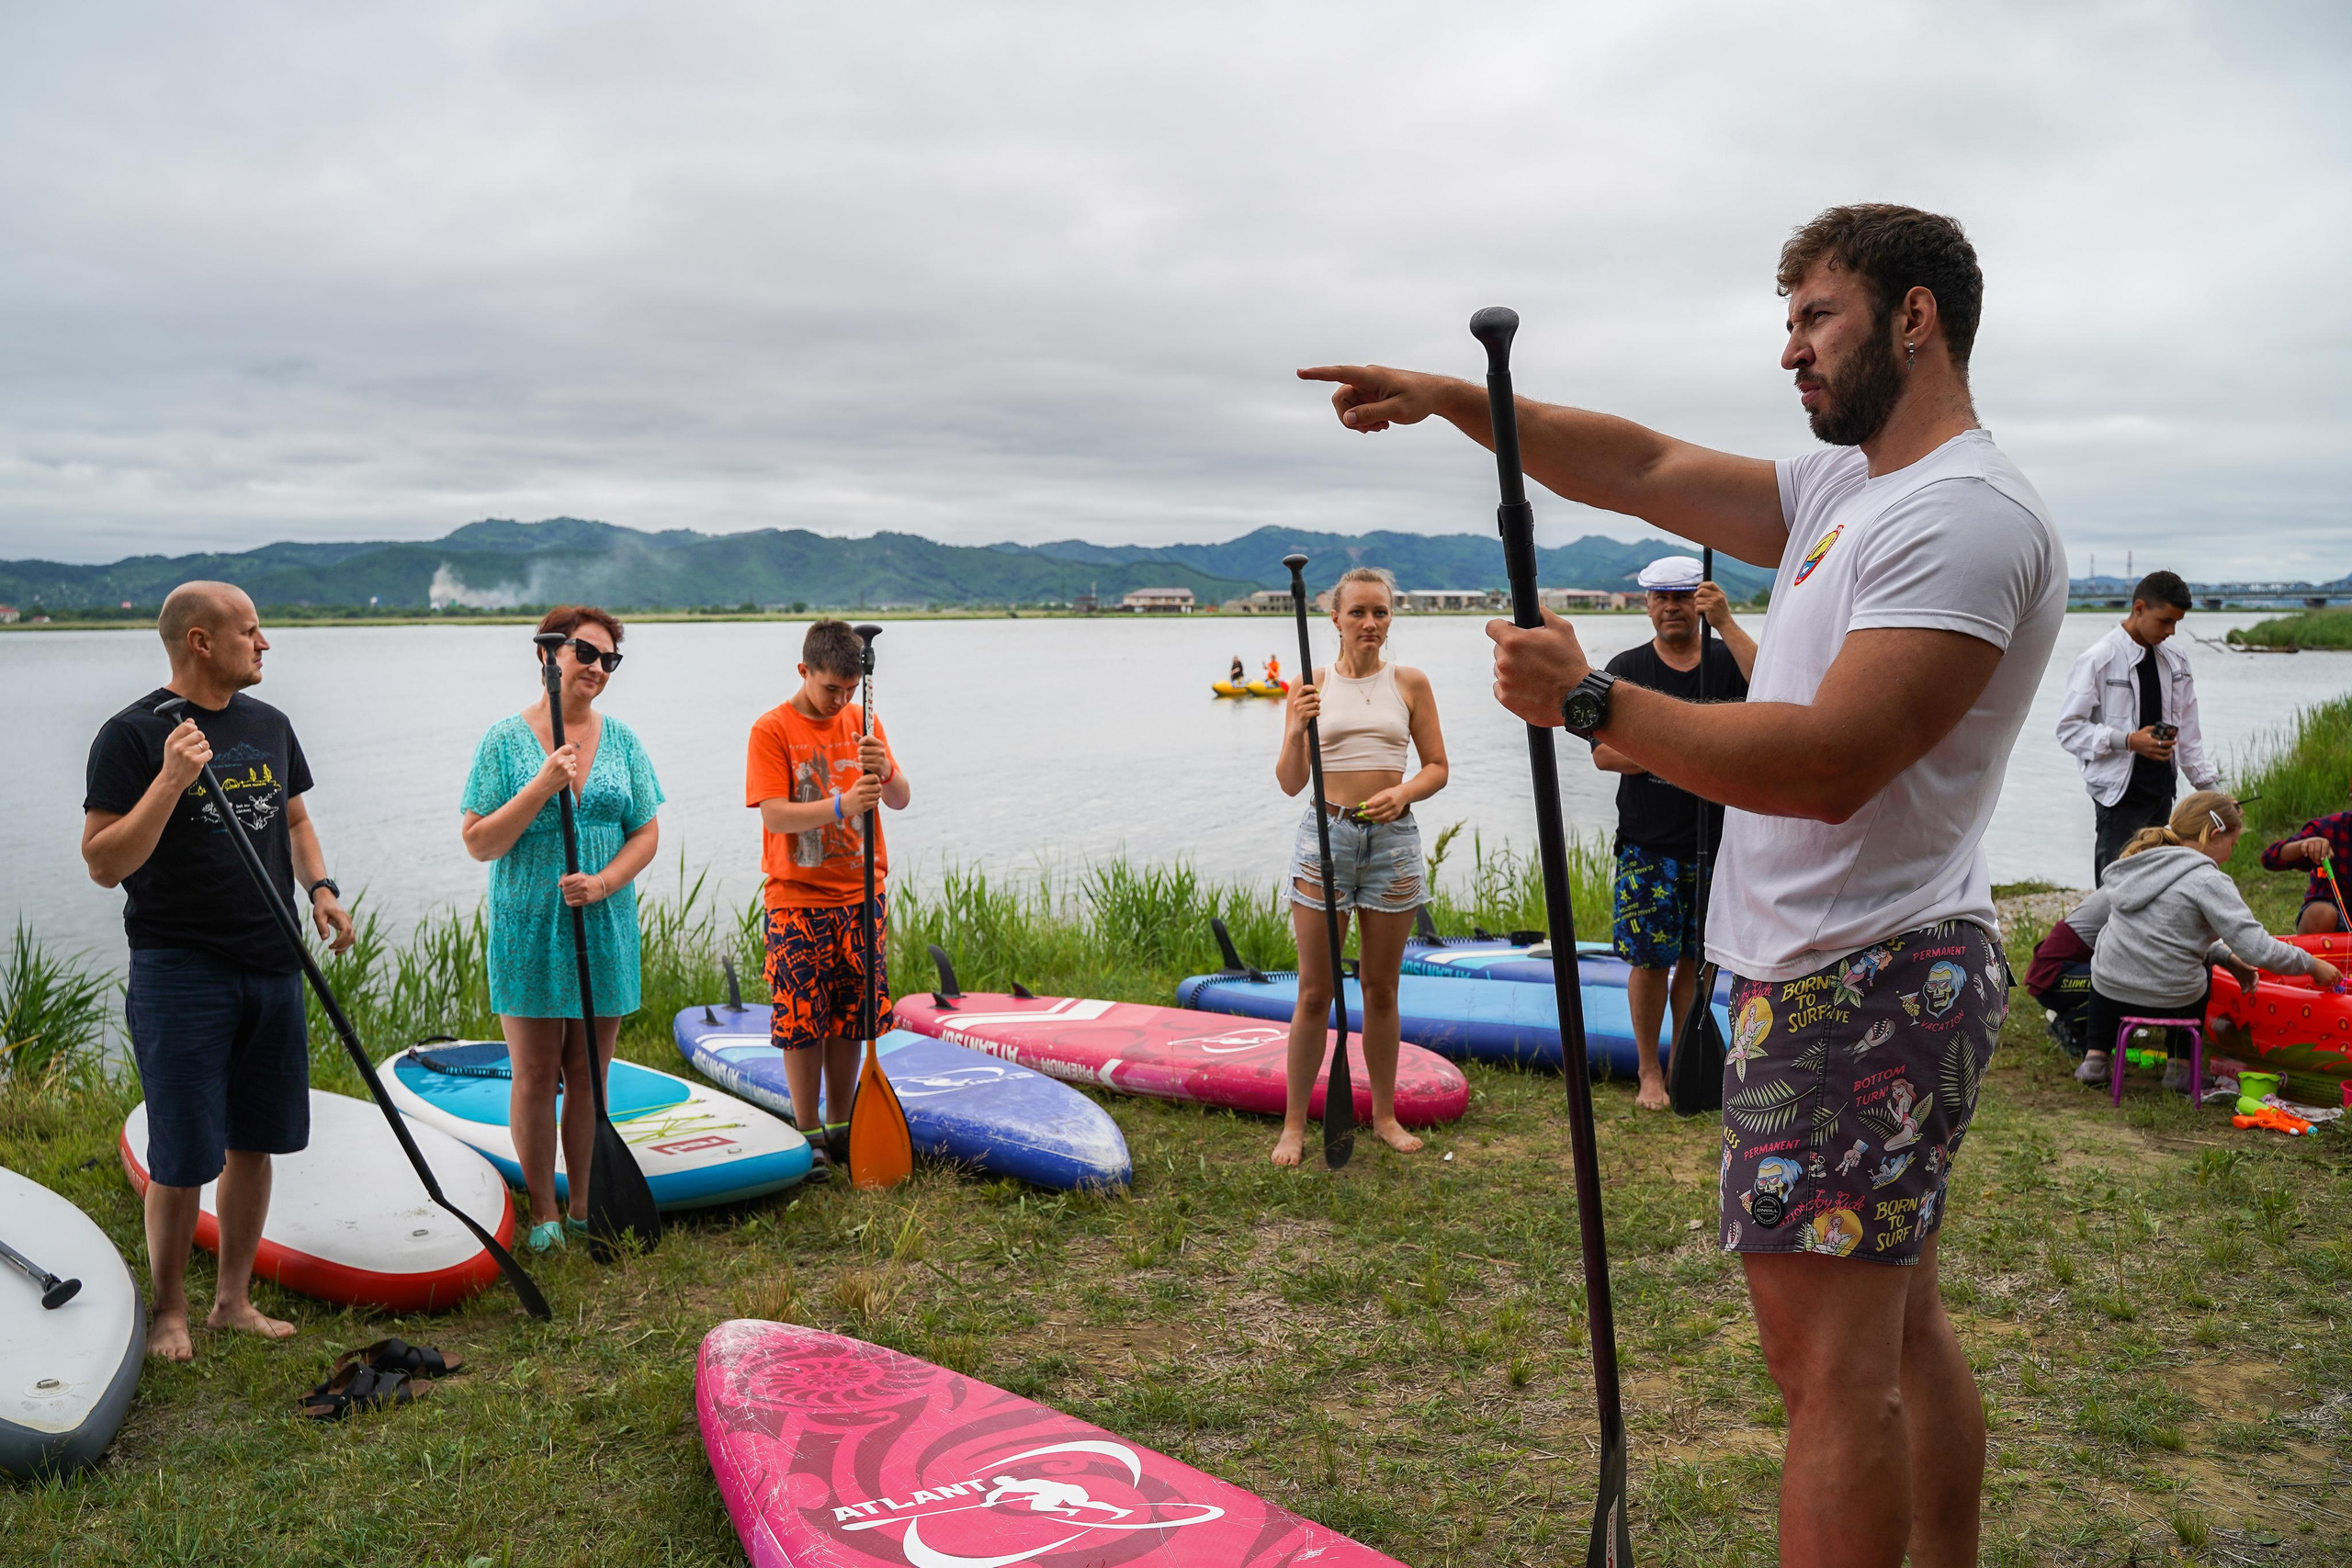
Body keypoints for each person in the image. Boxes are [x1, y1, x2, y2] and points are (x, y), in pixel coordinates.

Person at [1304, 204, 2062, 1566]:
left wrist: (1595, 698)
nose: (1791, 351)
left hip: (1863, 974)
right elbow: (1645, 463)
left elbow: (1833, 760)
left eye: (1815, 317)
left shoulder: (1963, 516)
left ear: (1915, 318)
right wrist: (1461, 401)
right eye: (1787, 323)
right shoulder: (1854, 490)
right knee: (1895, 1330)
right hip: (1843, 962)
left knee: (1830, 1375)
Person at [81, 581, 356, 1361]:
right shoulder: (133, 734)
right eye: (250, 630)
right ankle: (169, 1309)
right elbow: (104, 863)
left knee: (254, 1139)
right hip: (181, 969)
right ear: (200, 641)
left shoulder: (269, 723)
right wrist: (170, 778)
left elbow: (295, 817)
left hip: (273, 961)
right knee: (180, 1151)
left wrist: (322, 889)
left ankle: (230, 1301)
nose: (264, 643)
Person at [459, 606, 664, 1253]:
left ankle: (584, 1202)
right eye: (586, 653)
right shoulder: (503, 741)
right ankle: (543, 1211)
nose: (598, 668)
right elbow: (478, 841)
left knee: (590, 1075)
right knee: (534, 1071)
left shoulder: (624, 741)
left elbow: (647, 830)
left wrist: (604, 882)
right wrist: (542, 786)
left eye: (610, 659)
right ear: (547, 654)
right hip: (529, 924)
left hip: (603, 924)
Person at [1272, 567, 1449, 1166]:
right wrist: (1297, 725)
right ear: (1335, 618)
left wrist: (1404, 793)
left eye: (1380, 612)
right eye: (1358, 613)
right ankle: (1295, 1125)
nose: (1370, 623)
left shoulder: (1412, 682)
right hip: (1324, 836)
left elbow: (1437, 767)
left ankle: (1383, 1115)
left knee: (1381, 989)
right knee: (1315, 992)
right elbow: (1290, 782)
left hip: (1392, 840)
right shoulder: (1311, 683)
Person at [1592, 554, 1756, 1109]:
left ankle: (1688, 1064)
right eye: (1661, 597)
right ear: (1646, 604)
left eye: (1683, 597)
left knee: (1695, 961)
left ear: (1699, 602)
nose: (1671, 607)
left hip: (1717, 842)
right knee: (1649, 963)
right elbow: (1604, 754)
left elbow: (1780, 694)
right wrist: (1691, 744)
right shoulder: (1625, 668)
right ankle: (1648, 1074)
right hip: (1648, 845)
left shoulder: (1725, 661)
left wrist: (1729, 625)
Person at [745, 620, 911, 1163]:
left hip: (863, 897)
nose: (840, 700)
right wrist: (842, 804)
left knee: (852, 1016)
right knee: (802, 1021)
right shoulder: (771, 730)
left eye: (847, 690)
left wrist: (885, 768)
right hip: (797, 900)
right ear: (804, 671)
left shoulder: (863, 719)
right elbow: (775, 815)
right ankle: (808, 1129)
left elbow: (902, 799)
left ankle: (842, 1123)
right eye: (829, 690)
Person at [2075, 793, 2338, 1090]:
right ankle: (2180, 1068)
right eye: (2232, 844)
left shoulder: (2136, 865)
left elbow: (2164, 934)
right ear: (2215, 834)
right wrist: (2311, 964)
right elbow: (2256, 948)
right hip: (2172, 999)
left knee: (2113, 954)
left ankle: (2094, 1059)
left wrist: (2226, 958)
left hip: (2109, 989)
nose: (2230, 852)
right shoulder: (2207, 880)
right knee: (2199, 975)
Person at [2054, 570, 2220, 886]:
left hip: (2161, 792)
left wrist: (2211, 791)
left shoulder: (2176, 660)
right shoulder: (2100, 657)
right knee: (2113, 890)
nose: (2171, 631)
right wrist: (2128, 741)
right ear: (2139, 608)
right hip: (2118, 796)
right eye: (2165, 621)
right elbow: (2069, 729)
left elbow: (2188, 731)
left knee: (2156, 887)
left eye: (2176, 623)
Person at [2257, 773, 2352, 933]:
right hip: (2337, 922)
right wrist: (2305, 845)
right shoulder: (2331, 828)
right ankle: (2309, 957)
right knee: (2321, 914)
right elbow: (2270, 858)